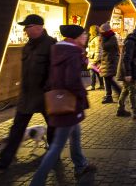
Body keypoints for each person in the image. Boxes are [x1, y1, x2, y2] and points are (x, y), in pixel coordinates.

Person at [0, 15, 56, 171]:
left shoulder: (51, 45)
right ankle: (3, 161)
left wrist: (48, 88)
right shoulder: (28, 46)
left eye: (27, 27)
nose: (25, 30)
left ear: (38, 27)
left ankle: (53, 155)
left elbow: (55, 71)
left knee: (52, 126)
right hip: (27, 96)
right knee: (16, 129)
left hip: (44, 96)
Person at [30, 25, 96, 185]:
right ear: (75, 37)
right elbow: (71, 80)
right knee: (57, 146)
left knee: (75, 134)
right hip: (68, 103)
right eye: (83, 34)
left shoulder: (58, 50)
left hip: (59, 99)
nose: (86, 36)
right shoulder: (72, 53)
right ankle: (37, 181)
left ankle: (81, 164)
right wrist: (83, 95)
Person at [116, 26, 136, 119]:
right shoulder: (131, 42)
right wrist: (128, 73)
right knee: (133, 91)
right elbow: (127, 58)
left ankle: (120, 109)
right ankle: (135, 111)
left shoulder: (134, 41)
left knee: (126, 90)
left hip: (129, 69)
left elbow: (134, 58)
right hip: (128, 70)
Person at [99, 22, 121, 104]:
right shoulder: (108, 37)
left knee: (108, 78)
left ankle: (117, 92)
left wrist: (102, 38)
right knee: (107, 78)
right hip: (107, 61)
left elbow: (105, 47)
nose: (101, 33)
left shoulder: (111, 37)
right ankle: (109, 95)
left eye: (102, 31)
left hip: (110, 61)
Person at [86, 25, 104, 91]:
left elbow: (98, 49)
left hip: (94, 57)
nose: (89, 31)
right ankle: (101, 84)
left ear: (93, 30)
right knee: (97, 71)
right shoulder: (93, 37)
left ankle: (92, 85)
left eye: (90, 30)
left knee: (92, 71)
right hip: (92, 56)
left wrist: (96, 59)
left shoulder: (97, 38)